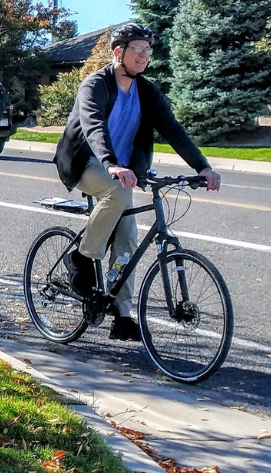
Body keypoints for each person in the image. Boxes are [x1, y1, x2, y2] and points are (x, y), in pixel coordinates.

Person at [53, 23, 221, 342]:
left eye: (148, 50)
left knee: (128, 238)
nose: (144, 56)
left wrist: (203, 167)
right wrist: (112, 163)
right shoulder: (96, 84)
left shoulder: (146, 90)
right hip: (87, 162)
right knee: (115, 192)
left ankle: (123, 314)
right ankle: (81, 258)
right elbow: (93, 127)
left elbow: (173, 129)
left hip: (125, 170)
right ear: (119, 53)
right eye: (138, 49)